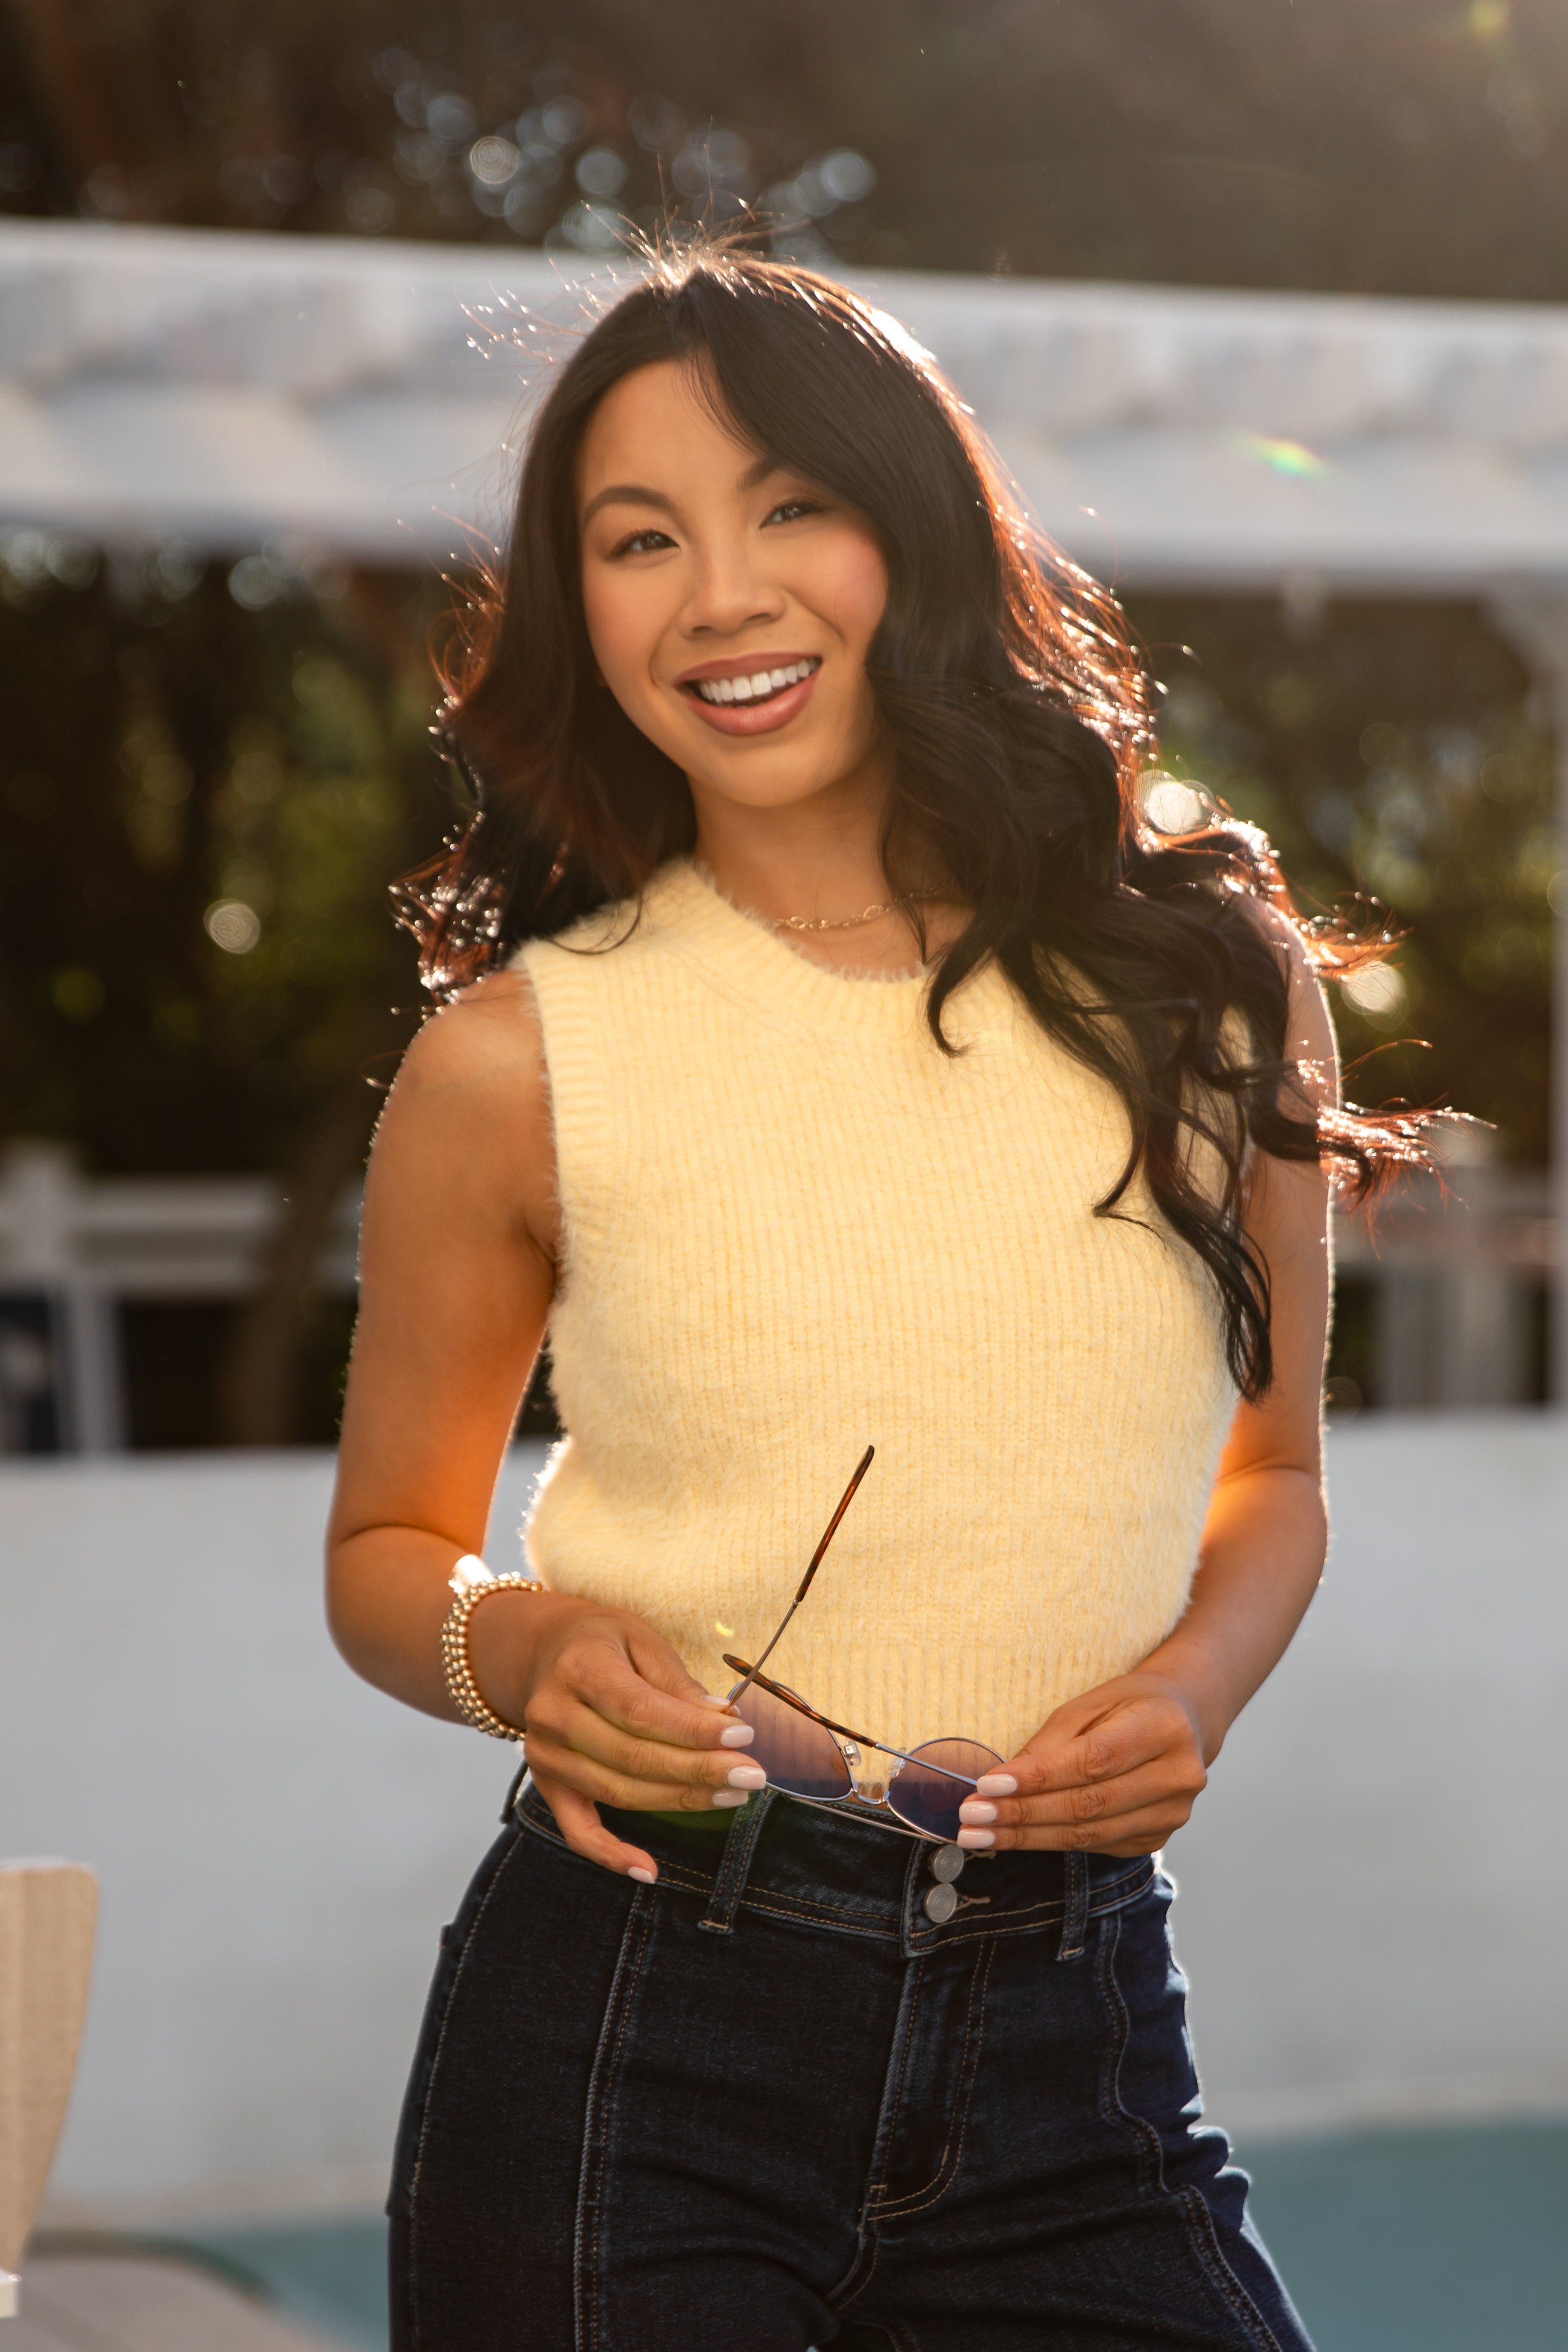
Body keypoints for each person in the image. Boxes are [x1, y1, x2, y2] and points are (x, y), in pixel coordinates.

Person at [326, 243, 1423, 2351]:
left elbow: (1272, 1478)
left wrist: (1192, 1694)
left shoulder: (1209, 984)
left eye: (789, 505)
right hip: (630, 2029)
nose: (720, 591)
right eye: (639, 540)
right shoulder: (510, 1064)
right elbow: (386, 1555)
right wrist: (523, 1642)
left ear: (915, 533)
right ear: (586, 610)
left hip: (1080, 2039)